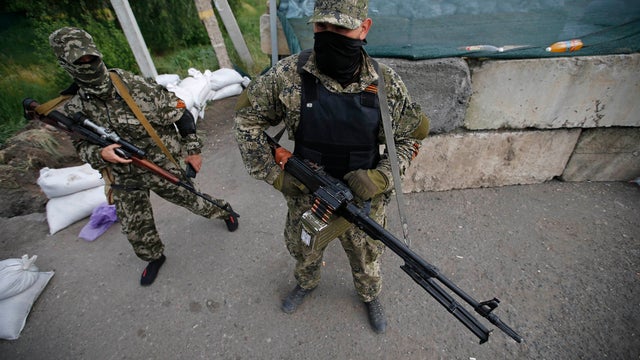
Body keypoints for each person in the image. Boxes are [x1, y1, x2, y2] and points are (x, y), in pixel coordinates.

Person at [234, 0, 429, 333]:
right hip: (307, 196)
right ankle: (306, 283)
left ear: (364, 28)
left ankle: (369, 295)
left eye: (342, 28)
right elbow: (246, 119)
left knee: (367, 257)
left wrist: (381, 177)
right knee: (304, 248)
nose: (331, 35)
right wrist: (276, 176)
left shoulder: (386, 85)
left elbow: (410, 138)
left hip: (362, 201)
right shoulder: (287, 75)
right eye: (323, 27)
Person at [48, 27, 239, 286]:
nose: (87, 65)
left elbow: (180, 110)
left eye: (90, 59)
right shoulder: (74, 107)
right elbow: (81, 146)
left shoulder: (132, 86)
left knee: (194, 200)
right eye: (78, 62)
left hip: (159, 163)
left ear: (98, 56)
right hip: (124, 175)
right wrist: (101, 153)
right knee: (134, 226)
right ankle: (154, 257)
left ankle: (224, 212)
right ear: (64, 64)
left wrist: (193, 150)